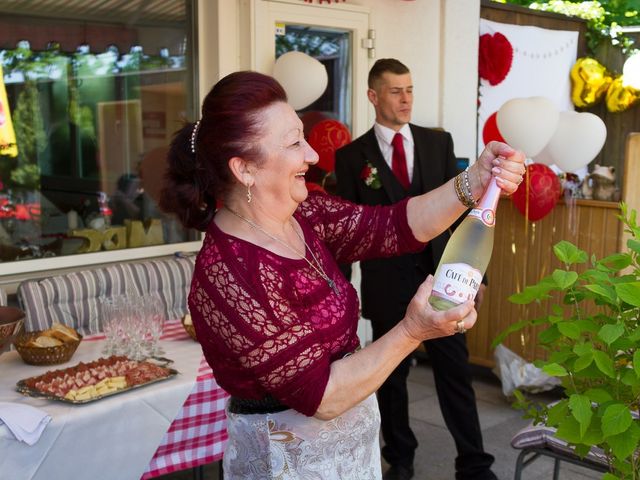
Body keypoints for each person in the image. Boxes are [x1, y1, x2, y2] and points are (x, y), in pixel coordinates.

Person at [159, 70, 524, 480]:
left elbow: (394, 225)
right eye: (295, 143)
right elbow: (323, 397)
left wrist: (476, 180)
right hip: (291, 464)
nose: (312, 155)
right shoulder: (231, 274)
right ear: (244, 169)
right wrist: (413, 331)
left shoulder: (306, 216)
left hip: (352, 450)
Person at [334, 58, 497, 480]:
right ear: (373, 96)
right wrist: (338, 294)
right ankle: (401, 459)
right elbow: (347, 230)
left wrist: (475, 274)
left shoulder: (436, 143)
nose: (406, 99)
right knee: (391, 379)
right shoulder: (351, 158)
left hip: (442, 279)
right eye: (395, 91)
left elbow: (463, 213)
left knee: (455, 373)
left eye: (409, 89)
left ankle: (474, 464)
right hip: (386, 286)